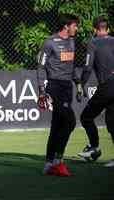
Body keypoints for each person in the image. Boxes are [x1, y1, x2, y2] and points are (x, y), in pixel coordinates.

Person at [36, 13, 81, 176]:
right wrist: (42, 90)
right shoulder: (49, 43)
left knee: (57, 125)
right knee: (70, 121)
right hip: (54, 86)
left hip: (68, 86)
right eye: (75, 25)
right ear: (66, 26)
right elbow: (40, 67)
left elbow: (72, 64)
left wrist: (78, 82)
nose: (76, 28)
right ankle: (58, 160)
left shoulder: (71, 41)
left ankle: (48, 164)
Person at [77, 16, 114, 167]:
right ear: (108, 29)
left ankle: (94, 148)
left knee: (86, 117)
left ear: (94, 30)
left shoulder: (93, 42)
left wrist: (81, 84)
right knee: (112, 123)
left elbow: (87, 66)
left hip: (107, 86)